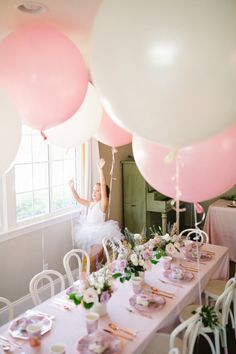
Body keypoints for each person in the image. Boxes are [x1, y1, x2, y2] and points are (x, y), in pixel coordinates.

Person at [68, 158, 123, 271]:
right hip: (89, 233)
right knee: (94, 261)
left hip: (99, 235)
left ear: (104, 195)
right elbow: (78, 199)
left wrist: (100, 169)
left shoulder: (103, 205)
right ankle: (93, 280)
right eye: (93, 190)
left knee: (91, 260)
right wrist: (72, 187)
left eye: (97, 191)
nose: (94, 192)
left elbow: (103, 185)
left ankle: (91, 280)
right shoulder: (91, 204)